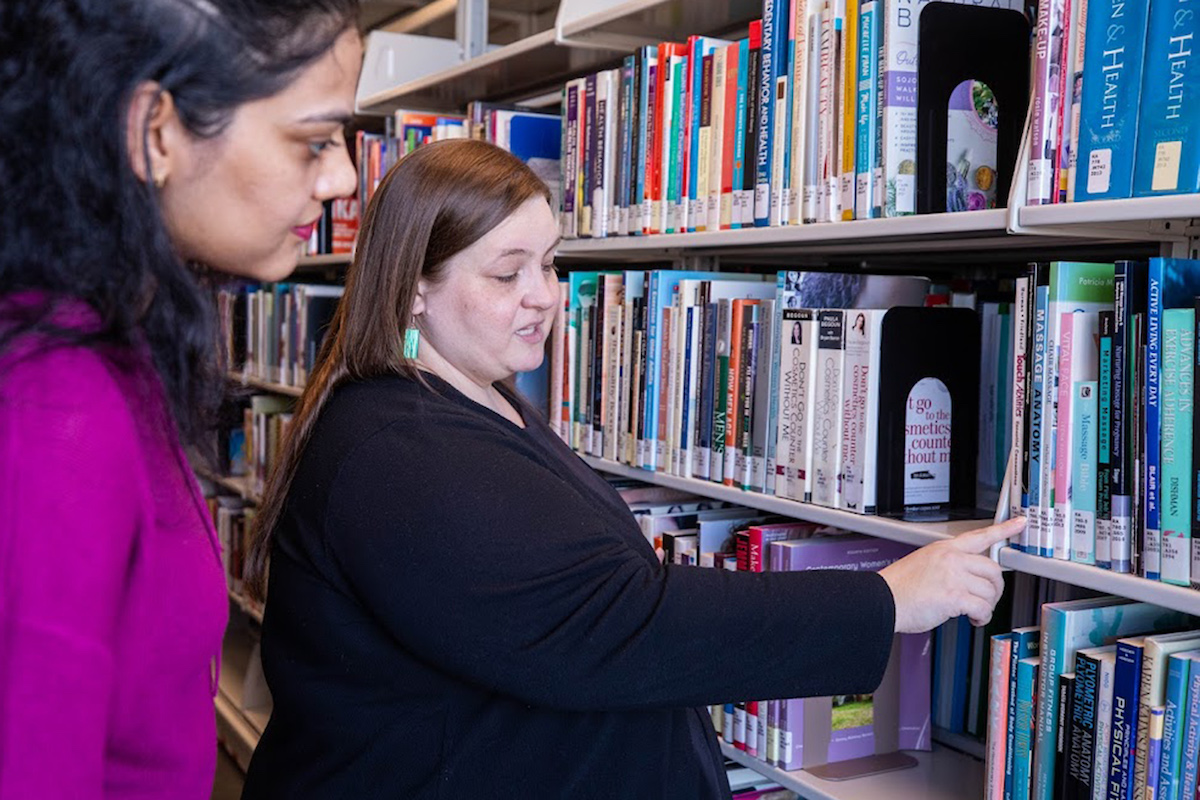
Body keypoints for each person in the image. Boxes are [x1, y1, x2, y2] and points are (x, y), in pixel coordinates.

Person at [242, 138, 1020, 798]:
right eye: (507, 274)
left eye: (549, 265)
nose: (543, 296)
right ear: (415, 288)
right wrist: (885, 600)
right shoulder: (396, 450)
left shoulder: (473, 398)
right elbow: (613, 624)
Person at [0, 1, 361, 796]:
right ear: (155, 131)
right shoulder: (53, 408)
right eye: (313, 141)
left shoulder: (119, 355)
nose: (344, 179)